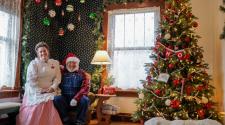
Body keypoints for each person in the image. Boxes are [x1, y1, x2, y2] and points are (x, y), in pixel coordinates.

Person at [17, 42, 63, 125]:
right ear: (37, 53)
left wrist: (53, 87)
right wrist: (41, 90)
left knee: (50, 102)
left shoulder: (55, 63)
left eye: (44, 51)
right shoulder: (34, 64)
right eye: (40, 52)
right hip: (35, 90)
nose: (43, 53)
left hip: (51, 89)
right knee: (39, 105)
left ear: (48, 51)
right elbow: (31, 81)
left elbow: (57, 77)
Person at [53, 53, 90, 125]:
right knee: (56, 99)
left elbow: (85, 87)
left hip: (78, 101)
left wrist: (76, 98)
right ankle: (66, 120)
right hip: (65, 101)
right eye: (69, 63)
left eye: (74, 63)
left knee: (85, 100)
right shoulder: (61, 73)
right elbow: (52, 71)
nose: (72, 65)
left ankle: (80, 122)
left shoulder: (82, 73)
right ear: (66, 64)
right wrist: (58, 67)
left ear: (77, 64)